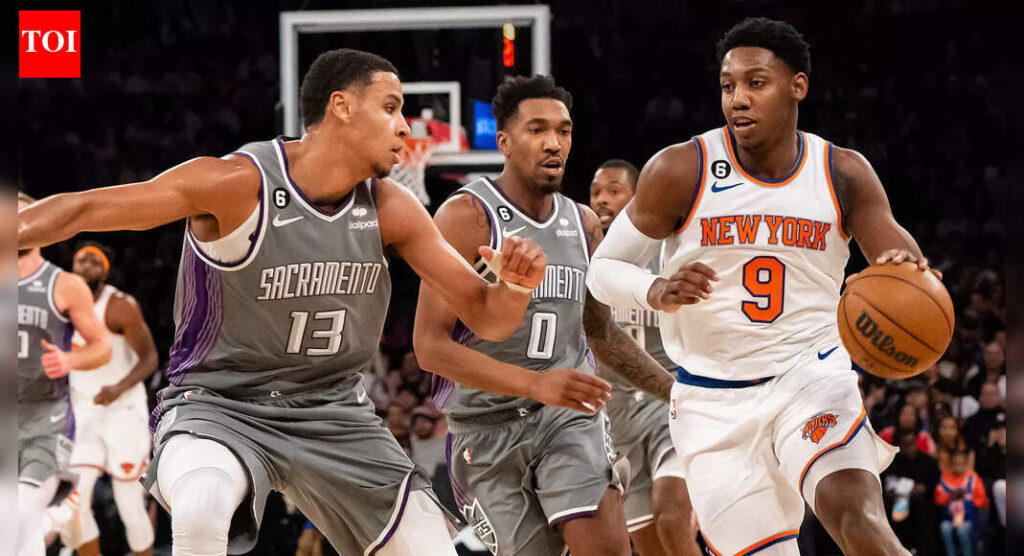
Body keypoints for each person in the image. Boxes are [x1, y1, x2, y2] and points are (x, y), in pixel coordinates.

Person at [18, 49, 552, 556]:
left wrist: (515, 287)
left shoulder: (392, 207)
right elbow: (85, 208)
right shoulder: (236, 184)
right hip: (220, 403)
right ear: (341, 106)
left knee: (429, 546)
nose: (405, 128)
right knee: (202, 505)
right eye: (390, 108)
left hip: (335, 411)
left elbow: (486, 317)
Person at [587, 17, 938, 554]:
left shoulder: (841, 172)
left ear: (798, 86)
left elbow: (897, 253)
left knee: (859, 519)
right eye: (728, 86)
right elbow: (603, 269)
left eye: (756, 83)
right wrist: (655, 289)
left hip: (811, 377)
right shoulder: (681, 168)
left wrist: (908, 270)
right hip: (712, 401)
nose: (738, 99)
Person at [414, 75, 673, 556]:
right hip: (483, 429)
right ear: (504, 141)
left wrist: (675, 391)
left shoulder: (584, 223)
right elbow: (430, 347)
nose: (554, 142)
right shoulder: (466, 217)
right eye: (537, 130)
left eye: (563, 130)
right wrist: (534, 383)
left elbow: (600, 331)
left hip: (567, 418)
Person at [589, 159, 701, 556]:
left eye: (614, 190)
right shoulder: (586, 262)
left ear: (637, 197)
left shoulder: (666, 254)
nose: (602, 200)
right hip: (616, 416)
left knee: (672, 518)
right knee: (650, 546)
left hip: (668, 401)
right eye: (596, 192)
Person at [44, 242, 158, 556]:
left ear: (105, 271)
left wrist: (119, 387)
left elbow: (150, 358)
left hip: (124, 409)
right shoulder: (59, 306)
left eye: (94, 261)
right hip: (84, 410)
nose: (86, 265)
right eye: (81, 260)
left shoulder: (121, 305)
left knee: (129, 504)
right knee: (76, 503)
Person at [17, 192, 112, 556]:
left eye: (24, 218)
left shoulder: (64, 284)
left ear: (42, 225)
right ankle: (56, 515)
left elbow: (101, 346)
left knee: (19, 517)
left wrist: (70, 360)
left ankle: (55, 512)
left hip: (45, 425)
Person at [882, 429, 940, 554]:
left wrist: (924, 489)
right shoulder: (892, 463)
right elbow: (887, 487)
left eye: (912, 444)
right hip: (899, 502)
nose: (910, 449)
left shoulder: (928, 462)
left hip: (924, 503)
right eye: (906, 445)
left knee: (924, 512)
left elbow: (936, 485)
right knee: (899, 509)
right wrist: (906, 490)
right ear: (899, 446)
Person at [935, 450, 989, 556]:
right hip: (949, 518)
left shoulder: (973, 478)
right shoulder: (945, 478)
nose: (958, 467)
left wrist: (967, 500)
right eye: (955, 463)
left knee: (962, 530)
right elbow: (938, 499)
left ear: (966, 464)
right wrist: (949, 497)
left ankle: (967, 553)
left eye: (961, 464)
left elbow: (982, 501)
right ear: (950, 464)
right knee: (944, 528)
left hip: (968, 519)